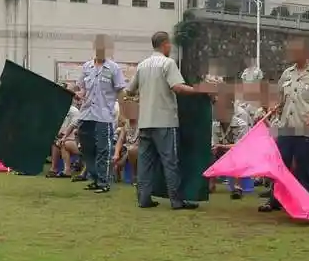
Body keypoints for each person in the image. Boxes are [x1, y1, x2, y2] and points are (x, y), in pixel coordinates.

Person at [125, 31, 202, 210]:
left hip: (145, 122)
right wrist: (198, 90)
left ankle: (144, 199)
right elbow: (177, 87)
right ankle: (177, 201)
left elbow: (129, 91)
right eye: (170, 45)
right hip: (165, 121)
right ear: (165, 44)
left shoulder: (142, 65)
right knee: (170, 162)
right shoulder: (168, 63)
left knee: (145, 163)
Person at [258, 36, 309, 214]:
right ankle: (275, 200)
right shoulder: (287, 74)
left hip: (307, 129)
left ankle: (304, 204)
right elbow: (281, 98)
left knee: (305, 168)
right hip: (286, 127)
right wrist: (275, 107)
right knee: (280, 166)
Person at [76, 35, 127, 194]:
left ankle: (104, 182)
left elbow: (120, 91)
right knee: (86, 148)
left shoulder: (113, 68)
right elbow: (82, 88)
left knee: (103, 149)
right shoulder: (86, 67)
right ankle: (94, 178)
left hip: (104, 116)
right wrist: (78, 94)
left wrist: (123, 113)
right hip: (86, 114)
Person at [48, 96, 82, 178]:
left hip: (76, 140)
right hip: (68, 138)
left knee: (63, 143)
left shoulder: (74, 111)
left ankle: (66, 170)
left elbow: (74, 126)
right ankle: (54, 169)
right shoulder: (58, 109)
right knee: (56, 142)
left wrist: (63, 135)